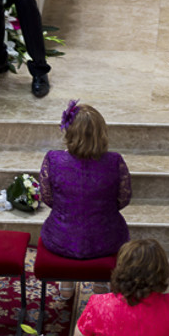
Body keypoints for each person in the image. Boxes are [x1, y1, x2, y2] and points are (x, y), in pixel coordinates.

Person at [39, 101, 131, 297]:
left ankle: (66, 284)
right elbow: (124, 199)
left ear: (69, 131)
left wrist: (68, 208)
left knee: (68, 227)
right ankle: (100, 285)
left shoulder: (53, 159)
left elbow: (47, 198)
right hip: (106, 239)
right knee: (104, 226)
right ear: (101, 132)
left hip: (61, 238)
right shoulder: (115, 161)